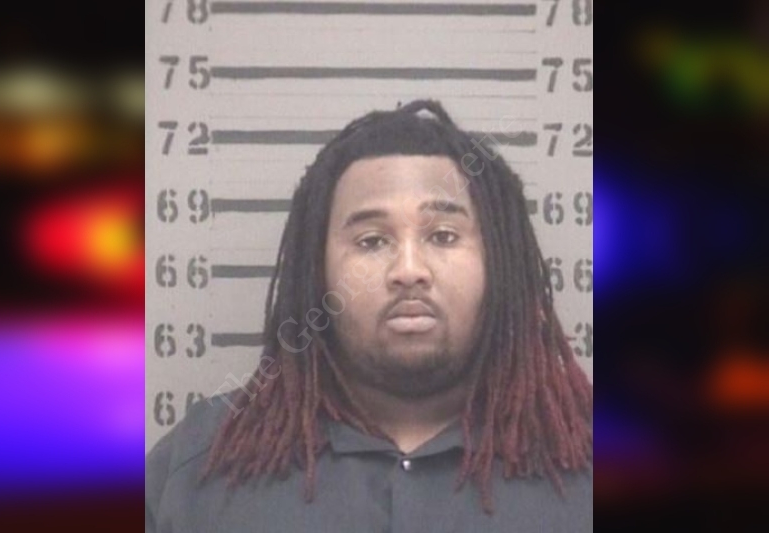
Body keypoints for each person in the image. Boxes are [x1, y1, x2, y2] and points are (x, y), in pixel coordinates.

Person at [145, 100, 592, 532]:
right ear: (316, 271)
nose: (409, 271)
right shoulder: (194, 470)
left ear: (500, 260)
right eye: (372, 241)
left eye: (443, 235)